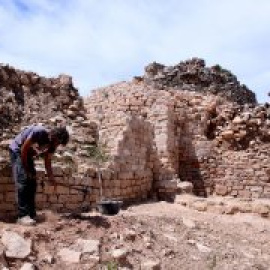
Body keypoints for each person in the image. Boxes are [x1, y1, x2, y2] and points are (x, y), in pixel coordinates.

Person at [9, 125, 69, 225]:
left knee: (32, 183)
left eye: (59, 144)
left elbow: (47, 161)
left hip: (27, 153)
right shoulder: (39, 132)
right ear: (54, 136)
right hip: (17, 150)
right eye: (58, 142)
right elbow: (23, 148)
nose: (57, 145)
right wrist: (26, 169)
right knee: (23, 181)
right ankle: (22, 216)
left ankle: (31, 214)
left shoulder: (53, 145)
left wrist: (51, 177)